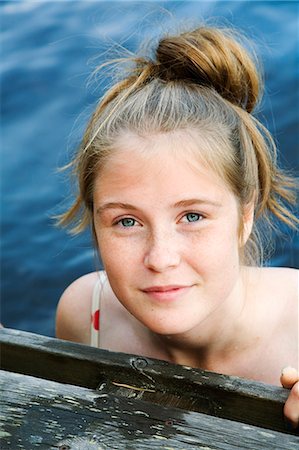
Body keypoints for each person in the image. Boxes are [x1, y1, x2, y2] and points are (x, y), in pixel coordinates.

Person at [55, 25, 299, 429]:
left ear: (244, 215)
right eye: (127, 221)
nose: (160, 258)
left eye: (192, 216)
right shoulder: (85, 315)